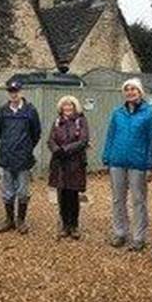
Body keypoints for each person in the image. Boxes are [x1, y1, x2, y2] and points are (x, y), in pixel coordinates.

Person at [102, 78, 152, 251]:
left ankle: (139, 236)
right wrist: (107, 156)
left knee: (138, 200)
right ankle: (120, 232)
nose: (130, 92)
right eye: (127, 89)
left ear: (140, 92)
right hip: (117, 161)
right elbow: (110, 135)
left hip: (138, 163)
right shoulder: (117, 113)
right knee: (118, 199)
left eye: (133, 89)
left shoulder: (150, 113)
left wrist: (151, 165)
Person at [0, 81, 41, 234]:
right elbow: (1, 133)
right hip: (7, 157)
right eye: (11, 91)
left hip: (23, 158)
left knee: (22, 191)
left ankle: (21, 220)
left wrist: (26, 147)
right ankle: (9, 220)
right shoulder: (3, 111)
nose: (13, 94)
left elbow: (36, 134)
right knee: (7, 191)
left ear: (21, 92)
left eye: (16, 91)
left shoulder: (30, 111)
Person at [48, 95, 90, 240]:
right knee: (62, 195)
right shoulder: (57, 121)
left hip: (75, 163)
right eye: (65, 106)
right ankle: (65, 225)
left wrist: (65, 149)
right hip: (59, 163)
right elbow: (50, 139)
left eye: (70, 105)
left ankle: (74, 225)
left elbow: (83, 140)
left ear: (74, 107)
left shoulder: (81, 120)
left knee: (73, 195)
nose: (67, 108)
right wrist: (55, 149)